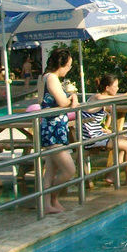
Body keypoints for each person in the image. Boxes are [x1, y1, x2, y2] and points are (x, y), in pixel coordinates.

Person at [84, 74, 127, 184]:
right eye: (115, 86)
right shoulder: (98, 98)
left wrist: (106, 129)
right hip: (91, 138)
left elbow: (101, 121)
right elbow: (120, 98)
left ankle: (112, 175)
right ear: (107, 88)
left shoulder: (102, 99)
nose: (117, 88)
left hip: (97, 134)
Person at [40, 46, 79, 214]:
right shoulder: (52, 78)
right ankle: (51, 198)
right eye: (68, 65)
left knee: (51, 170)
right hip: (53, 130)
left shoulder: (46, 77)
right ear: (60, 64)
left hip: (55, 128)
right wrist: (73, 98)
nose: (69, 69)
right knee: (69, 170)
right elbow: (63, 103)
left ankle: (48, 203)